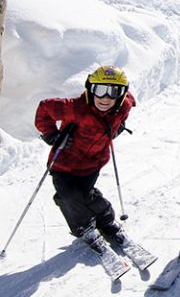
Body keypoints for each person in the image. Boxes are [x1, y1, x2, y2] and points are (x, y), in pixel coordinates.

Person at [34, 65, 138, 258]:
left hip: (93, 163)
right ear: (90, 89)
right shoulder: (75, 108)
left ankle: (106, 221)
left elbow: (128, 104)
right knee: (67, 196)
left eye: (113, 92)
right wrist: (51, 135)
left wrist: (119, 126)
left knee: (86, 195)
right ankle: (83, 226)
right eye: (99, 90)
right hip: (64, 163)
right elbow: (44, 108)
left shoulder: (122, 106)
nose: (105, 98)